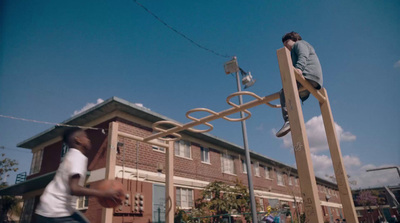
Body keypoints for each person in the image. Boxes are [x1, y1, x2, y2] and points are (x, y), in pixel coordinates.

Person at [34, 127, 124, 223]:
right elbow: (75, 188)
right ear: (78, 140)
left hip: (55, 208)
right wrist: (103, 193)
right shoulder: (77, 157)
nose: (89, 140)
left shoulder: (71, 155)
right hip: (54, 211)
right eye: (85, 137)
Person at [276, 31, 323, 137]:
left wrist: (299, 69)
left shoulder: (300, 44)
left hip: (308, 75)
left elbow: (303, 55)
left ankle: (289, 121)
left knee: (284, 92)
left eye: (286, 43)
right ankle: (293, 118)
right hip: (313, 80)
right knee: (290, 94)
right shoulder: (296, 49)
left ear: (294, 39)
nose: (286, 47)